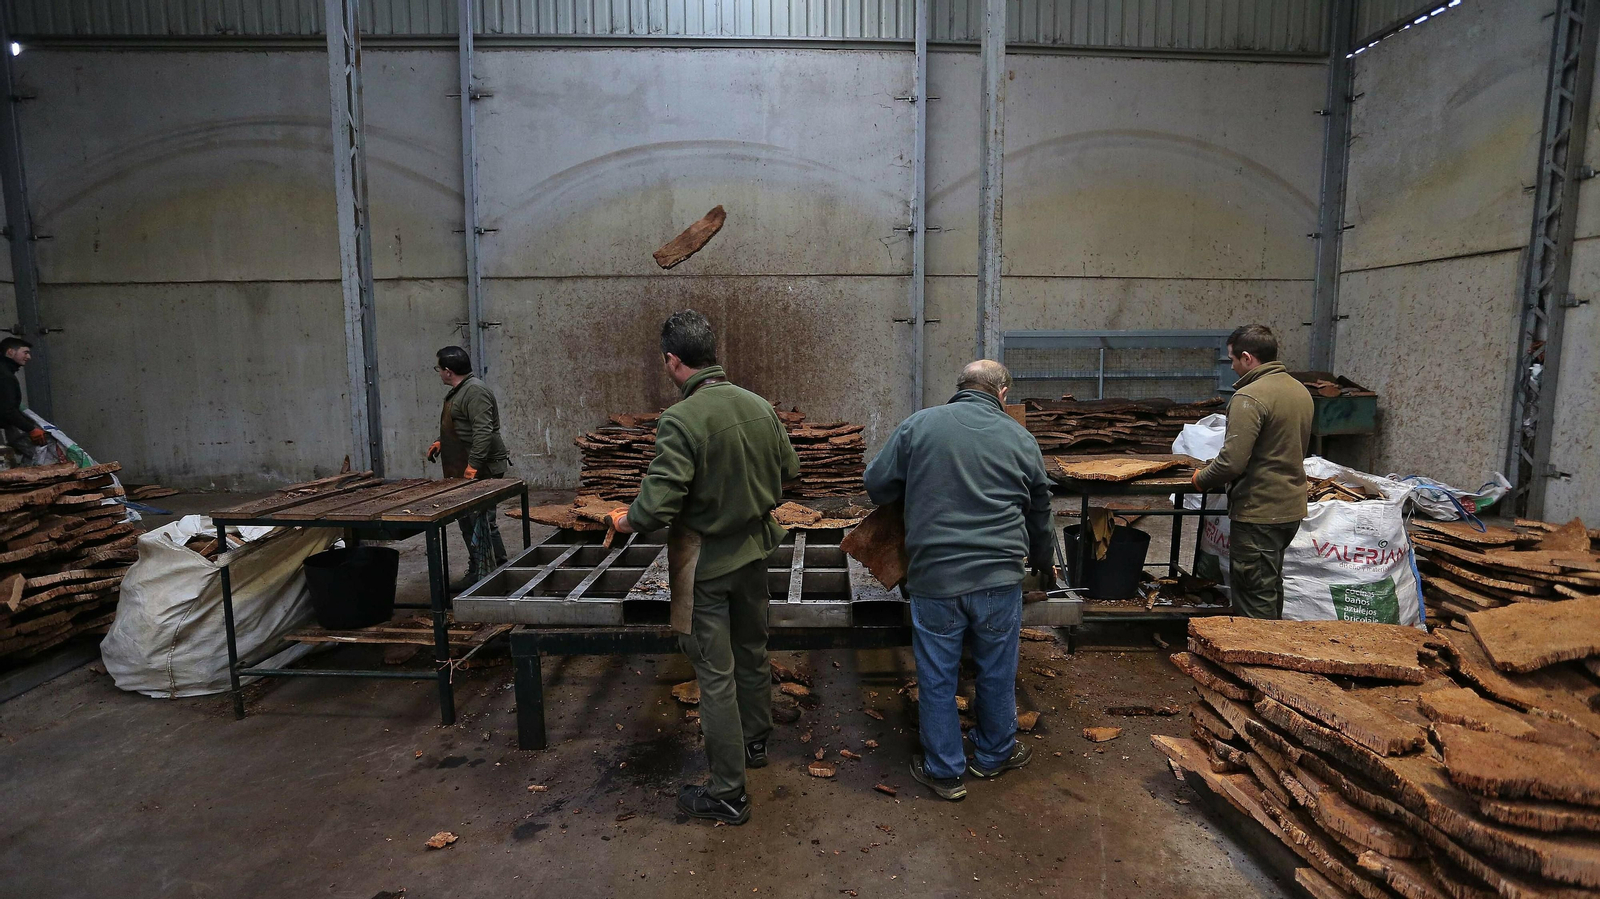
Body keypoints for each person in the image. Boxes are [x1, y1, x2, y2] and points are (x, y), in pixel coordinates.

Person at [606, 311, 799, 826]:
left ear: (673, 361)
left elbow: (656, 507)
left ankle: (727, 793)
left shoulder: (681, 420)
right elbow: (790, 469)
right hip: (754, 552)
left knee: (715, 675)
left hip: (705, 565)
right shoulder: (758, 406)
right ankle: (755, 743)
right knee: (751, 653)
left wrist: (624, 520)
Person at [863, 360, 1055, 802]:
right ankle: (993, 755)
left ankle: (945, 771)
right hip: (999, 580)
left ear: (961, 387)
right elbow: (1041, 507)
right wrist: (1044, 562)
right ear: (1002, 394)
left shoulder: (920, 426)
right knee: (997, 671)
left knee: (936, 676)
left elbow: (876, 484)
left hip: (936, 578)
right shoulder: (1020, 438)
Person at [1192, 324, 1314, 620]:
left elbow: (1232, 462)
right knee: (1268, 585)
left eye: (1233, 359)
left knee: (1253, 597)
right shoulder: (1299, 391)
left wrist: (1201, 479)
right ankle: (1274, 640)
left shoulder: (1250, 397)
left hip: (1259, 512)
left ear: (1247, 357)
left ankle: (1259, 645)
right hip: (1289, 510)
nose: (1232, 367)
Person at [425, 346, 510, 591]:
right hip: (465, 463)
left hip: (483, 467)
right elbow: (463, 425)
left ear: (448, 371)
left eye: (439, 369)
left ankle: (497, 572)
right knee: (467, 520)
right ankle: (479, 568)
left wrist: (474, 466)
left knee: (482, 521)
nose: (439, 373)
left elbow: (483, 432)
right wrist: (442, 442)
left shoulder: (475, 391)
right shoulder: (459, 391)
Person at [0, 337, 46, 466]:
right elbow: (7, 410)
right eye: (25, 352)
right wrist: (31, 429)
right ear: (10, 352)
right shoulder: (5, 376)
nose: (28, 357)